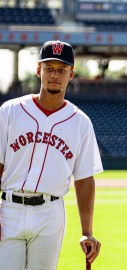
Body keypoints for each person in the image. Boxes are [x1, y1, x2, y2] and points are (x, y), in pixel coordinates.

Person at [0, 40, 103, 269]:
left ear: (71, 74)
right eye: (49, 68)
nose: (54, 75)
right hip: (9, 209)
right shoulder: (10, 111)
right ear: (39, 70)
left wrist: (87, 232)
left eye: (61, 69)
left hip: (50, 212)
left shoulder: (81, 122)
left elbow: (85, 179)